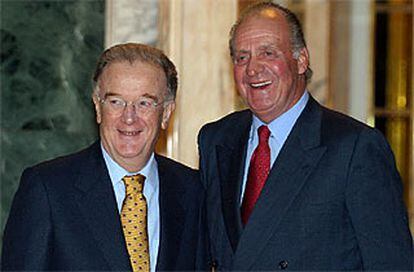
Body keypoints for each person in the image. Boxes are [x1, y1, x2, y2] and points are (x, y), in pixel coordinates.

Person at [198, 2, 413, 271]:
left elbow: (391, 264)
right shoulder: (216, 139)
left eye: (268, 52)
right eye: (242, 57)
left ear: (301, 60)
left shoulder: (355, 148)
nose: (252, 69)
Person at [2, 43, 206, 271]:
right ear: (98, 108)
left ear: (166, 112)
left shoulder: (193, 191)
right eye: (116, 102)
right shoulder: (48, 189)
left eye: (144, 103)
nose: (129, 117)